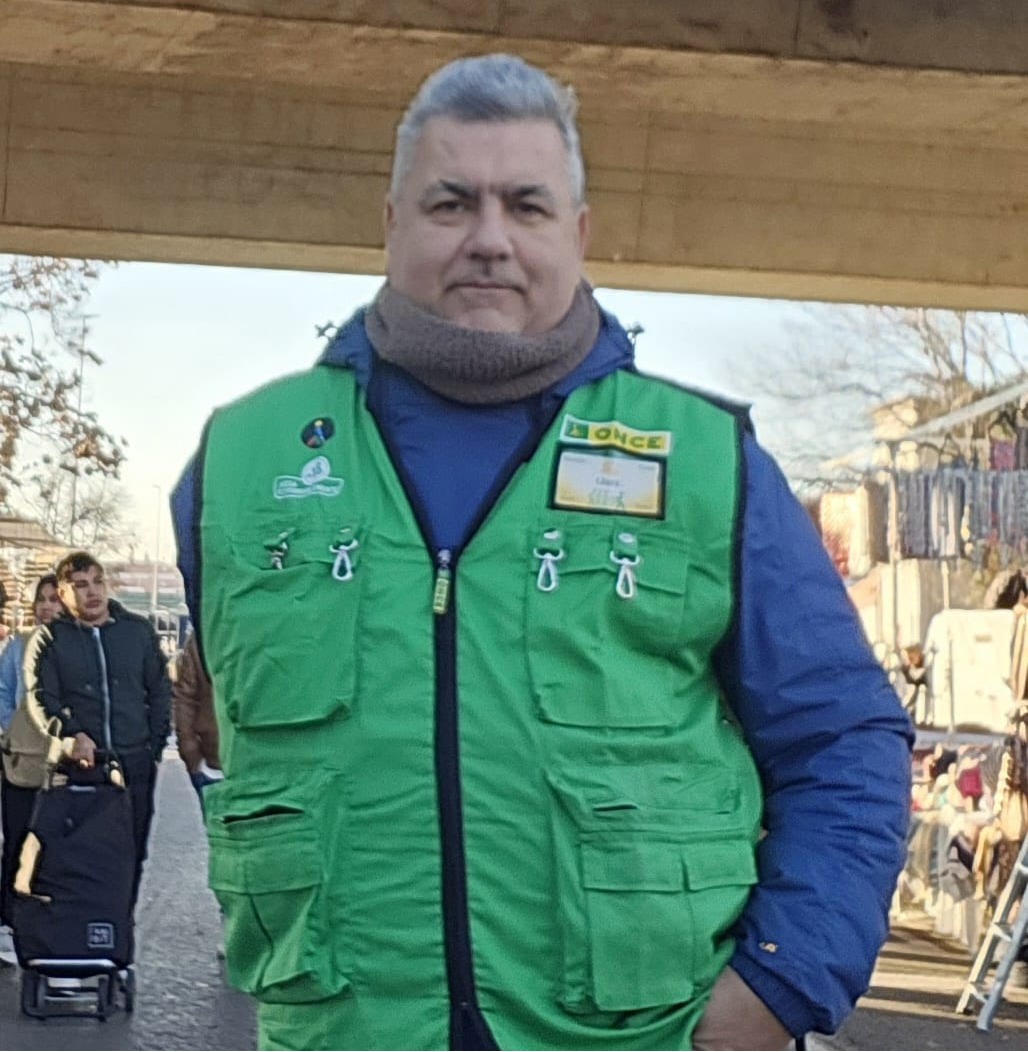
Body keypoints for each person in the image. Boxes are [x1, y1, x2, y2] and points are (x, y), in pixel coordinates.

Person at [171, 53, 913, 1051]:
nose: (487, 239)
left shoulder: (704, 462)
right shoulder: (239, 463)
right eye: (449, 203)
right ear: (390, 223)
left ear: (577, 231)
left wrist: (780, 982)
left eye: (524, 205)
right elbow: (219, 721)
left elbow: (841, 739)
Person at [24, 551, 171, 908]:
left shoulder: (137, 632)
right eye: (80, 585)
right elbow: (43, 698)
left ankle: (120, 929)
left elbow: (160, 691)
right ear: (63, 593)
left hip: (134, 764)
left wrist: (152, 745)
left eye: (97, 581)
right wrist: (72, 735)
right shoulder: (50, 640)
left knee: (132, 850)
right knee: (79, 854)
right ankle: (79, 933)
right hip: (81, 768)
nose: (92, 592)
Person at [0, 574, 62, 966]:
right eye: (41, 599)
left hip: (59, 765)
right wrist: (10, 730)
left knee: (55, 847)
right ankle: (6, 920)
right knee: (18, 841)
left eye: (54, 599)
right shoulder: (18, 646)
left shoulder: (73, 649)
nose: (46, 606)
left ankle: (47, 922)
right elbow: (3, 693)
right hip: (20, 761)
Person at [172, 629, 222, 809]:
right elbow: (185, 695)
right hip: (215, 763)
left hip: (274, 761)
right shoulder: (205, 632)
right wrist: (190, 752)